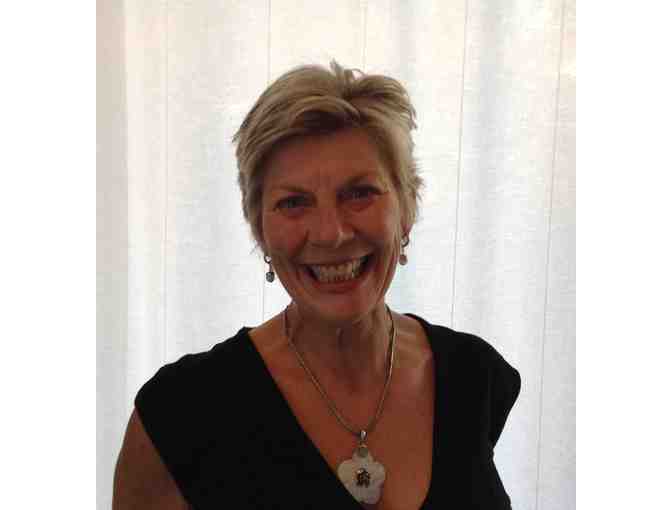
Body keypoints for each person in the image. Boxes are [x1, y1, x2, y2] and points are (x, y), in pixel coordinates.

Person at [113, 60, 521, 510]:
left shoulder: (474, 376)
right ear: (259, 229)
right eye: (293, 202)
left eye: (360, 193)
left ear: (407, 209)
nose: (331, 233)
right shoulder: (179, 416)